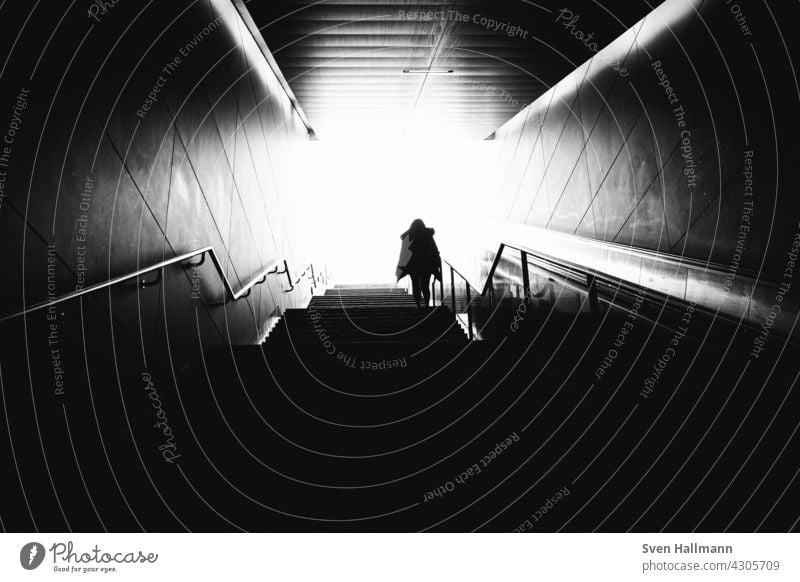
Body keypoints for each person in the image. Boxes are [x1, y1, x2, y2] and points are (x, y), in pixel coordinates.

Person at [396, 219, 442, 307]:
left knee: (416, 286)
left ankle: (418, 305)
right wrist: (437, 264)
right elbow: (434, 250)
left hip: (413, 266)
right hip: (427, 265)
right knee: (425, 286)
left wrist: (402, 267)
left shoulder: (409, 235)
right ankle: (427, 305)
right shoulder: (428, 235)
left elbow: (404, 253)